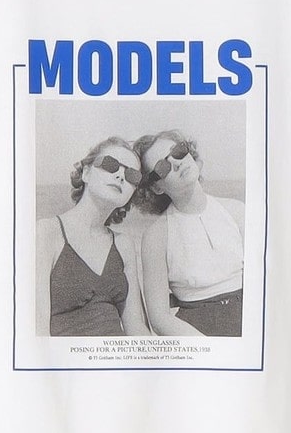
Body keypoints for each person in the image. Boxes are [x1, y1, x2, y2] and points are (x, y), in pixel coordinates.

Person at [132, 130, 245, 337]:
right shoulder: (156, 236)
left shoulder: (237, 211)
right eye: (162, 167)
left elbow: (264, 282)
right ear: (156, 188)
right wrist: (208, 348)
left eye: (178, 151)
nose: (176, 163)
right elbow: (160, 319)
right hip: (197, 332)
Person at [36, 137, 149, 337]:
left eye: (132, 175)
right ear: (86, 173)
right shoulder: (47, 232)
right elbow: (38, 330)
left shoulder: (123, 245)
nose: (120, 176)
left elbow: (136, 328)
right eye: (110, 164)